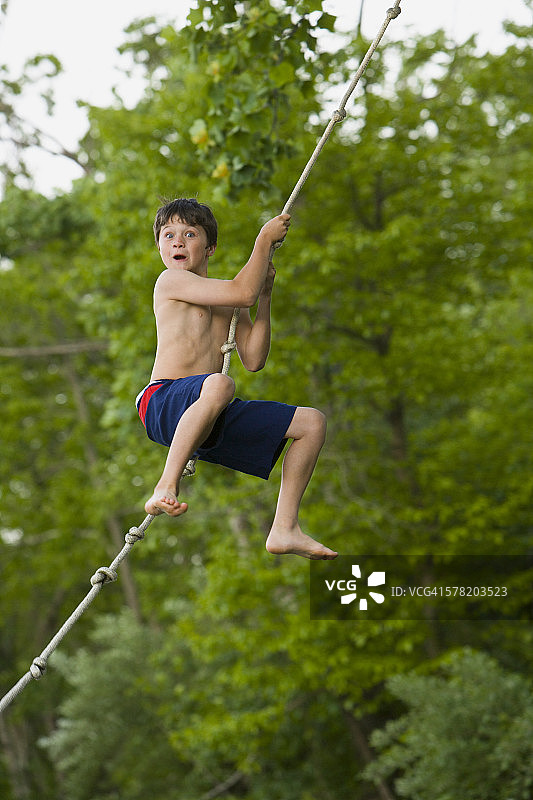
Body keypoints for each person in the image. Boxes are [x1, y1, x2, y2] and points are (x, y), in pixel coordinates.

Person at [136, 198, 337, 560]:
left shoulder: (226, 301)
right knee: (220, 385)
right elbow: (241, 290)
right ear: (160, 247)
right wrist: (263, 241)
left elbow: (255, 358)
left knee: (312, 423)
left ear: (210, 247)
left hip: (207, 411)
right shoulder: (170, 282)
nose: (177, 242)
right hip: (163, 402)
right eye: (168, 235)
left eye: (189, 234)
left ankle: (284, 528)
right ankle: (166, 484)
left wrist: (265, 296)